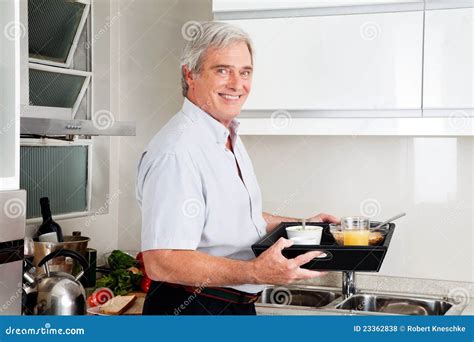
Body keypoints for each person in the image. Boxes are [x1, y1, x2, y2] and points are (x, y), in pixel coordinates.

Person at [136, 21, 338, 315]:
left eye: (245, 72)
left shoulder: (224, 135)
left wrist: (303, 226)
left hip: (231, 307)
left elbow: (234, 216)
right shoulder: (177, 151)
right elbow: (161, 259)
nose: (236, 84)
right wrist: (255, 271)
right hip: (191, 310)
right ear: (189, 75)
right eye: (222, 70)